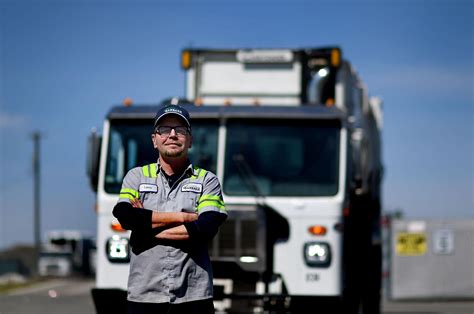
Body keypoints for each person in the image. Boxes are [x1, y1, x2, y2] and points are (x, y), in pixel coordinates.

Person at [113, 102, 227, 314]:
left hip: (193, 295)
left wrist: (145, 228)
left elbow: (207, 226)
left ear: (190, 140)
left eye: (180, 130)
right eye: (164, 129)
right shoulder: (136, 176)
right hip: (144, 294)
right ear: (154, 140)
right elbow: (125, 216)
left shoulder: (207, 180)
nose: (172, 135)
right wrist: (185, 218)